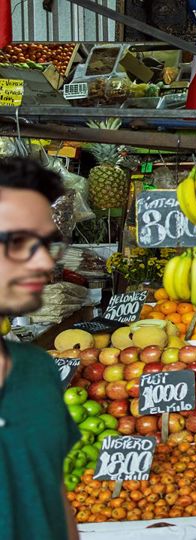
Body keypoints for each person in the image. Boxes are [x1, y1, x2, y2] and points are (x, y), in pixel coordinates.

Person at [0, 157, 78, 540]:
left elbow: (54, 496)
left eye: (46, 243)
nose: (44, 262)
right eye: (17, 242)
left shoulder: (38, 370)